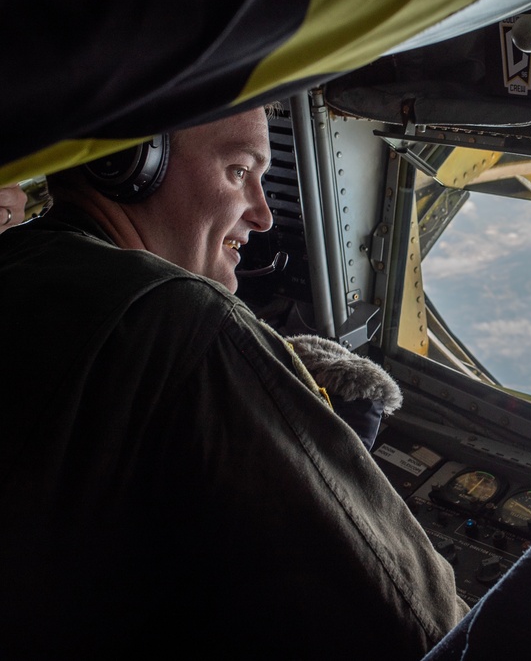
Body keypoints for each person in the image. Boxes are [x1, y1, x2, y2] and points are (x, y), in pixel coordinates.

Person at [0, 107, 467, 658]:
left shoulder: (18, 262)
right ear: (128, 161)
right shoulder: (179, 316)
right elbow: (426, 627)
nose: (265, 216)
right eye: (240, 171)